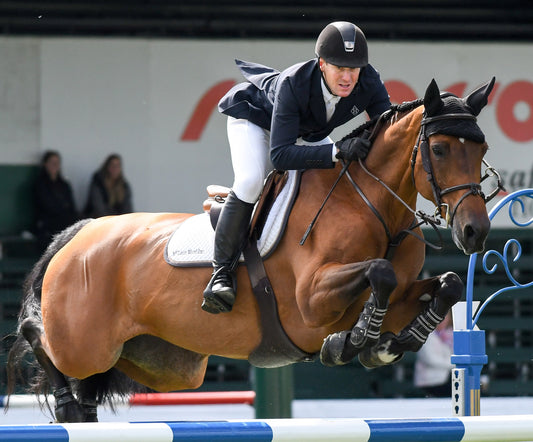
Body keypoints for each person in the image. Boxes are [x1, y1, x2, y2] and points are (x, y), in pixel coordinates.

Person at [202, 21, 391, 314]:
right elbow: (280, 157)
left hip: (306, 134)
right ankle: (220, 273)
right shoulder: (295, 83)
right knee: (252, 180)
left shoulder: (368, 81)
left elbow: (388, 130)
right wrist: (338, 150)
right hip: (256, 121)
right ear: (322, 64)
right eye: (339, 67)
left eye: (353, 69)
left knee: (338, 179)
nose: (347, 76)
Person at [33, 150, 79, 250]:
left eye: (57, 163)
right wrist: (62, 207)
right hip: (47, 222)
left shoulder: (64, 185)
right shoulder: (40, 184)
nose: (55, 165)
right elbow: (47, 206)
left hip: (65, 219)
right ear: (45, 164)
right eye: (52, 162)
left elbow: (71, 206)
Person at [414, 312, 454, 397]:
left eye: (445, 317)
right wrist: (454, 364)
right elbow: (430, 359)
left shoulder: (450, 335)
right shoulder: (424, 335)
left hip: (446, 380)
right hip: (429, 382)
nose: (442, 321)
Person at [84, 153, 133, 218]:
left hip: (118, 221)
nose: (115, 168)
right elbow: (98, 208)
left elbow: (127, 209)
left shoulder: (124, 186)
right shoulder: (99, 183)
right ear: (107, 167)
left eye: (117, 165)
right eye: (112, 165)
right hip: (98, 220)